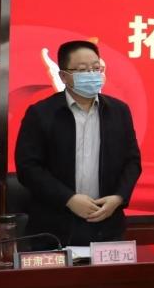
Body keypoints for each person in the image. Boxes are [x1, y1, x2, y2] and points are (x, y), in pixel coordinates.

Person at [14, 40, 141, 248]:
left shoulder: (119, 111)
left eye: (96, 68)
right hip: (54, 227)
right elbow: (28, 168)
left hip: (106, 223)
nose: (92, 74)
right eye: (82, 70)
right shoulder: (41, 113)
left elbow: (132, 161)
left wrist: (118, 198)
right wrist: (69, 199)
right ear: (64, 76)